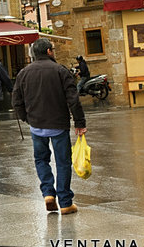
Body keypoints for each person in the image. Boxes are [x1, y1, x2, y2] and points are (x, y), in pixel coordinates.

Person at [12, 38, 87, 215]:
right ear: (48, 52)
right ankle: (66, 203)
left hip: (37, 126)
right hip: (58, 124)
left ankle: (48, 194)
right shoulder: (60, 70)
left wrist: (27, 119)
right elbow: (73, 99)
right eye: (52, 49)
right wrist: (79, 123)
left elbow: (16, 101)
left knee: (41, 159)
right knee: (63, 162)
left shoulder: (24, 73)